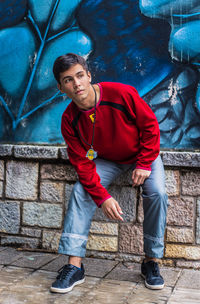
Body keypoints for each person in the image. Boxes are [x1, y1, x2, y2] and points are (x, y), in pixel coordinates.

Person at [50, 53, 168, 294]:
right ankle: (74, 266)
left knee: (157, 192)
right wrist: (102, 197)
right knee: (82, 191)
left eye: (80, 76)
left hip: (142, 154)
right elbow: (82, 164)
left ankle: (151, 262)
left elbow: (150, 126)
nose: (77, 84)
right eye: (68, 80)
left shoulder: (120, 93)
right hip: (108, 160)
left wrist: (145, 163)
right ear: (61, 87)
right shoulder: (68, 119)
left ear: (89, 75)